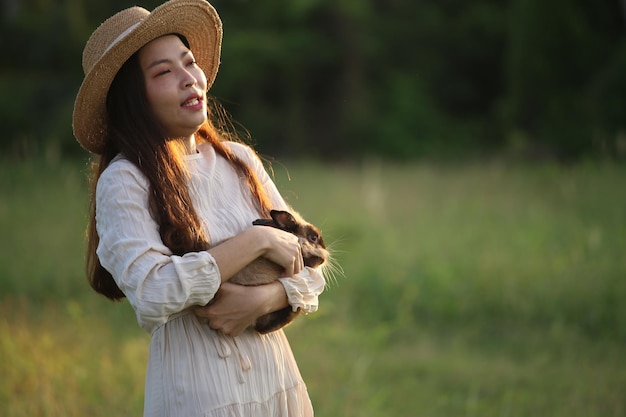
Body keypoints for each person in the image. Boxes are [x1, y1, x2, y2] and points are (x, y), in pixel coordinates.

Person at [72, 1, 326, 416]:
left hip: (276, 380)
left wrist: (262, 301)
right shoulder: (125, 180)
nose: (189, 78)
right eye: (164, 72)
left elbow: (312, 271)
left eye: (189, 63)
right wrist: (258, 238)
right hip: (200, 392)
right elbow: (153, 293)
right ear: (134, 99)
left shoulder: (238, 160)